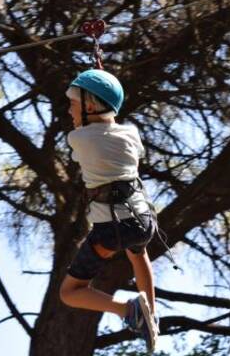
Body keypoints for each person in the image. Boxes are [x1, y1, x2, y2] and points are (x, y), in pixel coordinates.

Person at [59, 69, 160, 352]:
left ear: (90, 106)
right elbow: (108, 124)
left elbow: (87, 137)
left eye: (74, 104)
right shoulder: (131, 134)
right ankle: (149, 314)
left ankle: (128, 311)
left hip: (112, 228)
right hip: (142, 220)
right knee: (139, 257)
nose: (70, 110)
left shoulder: (79, 140)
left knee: (70, 292)